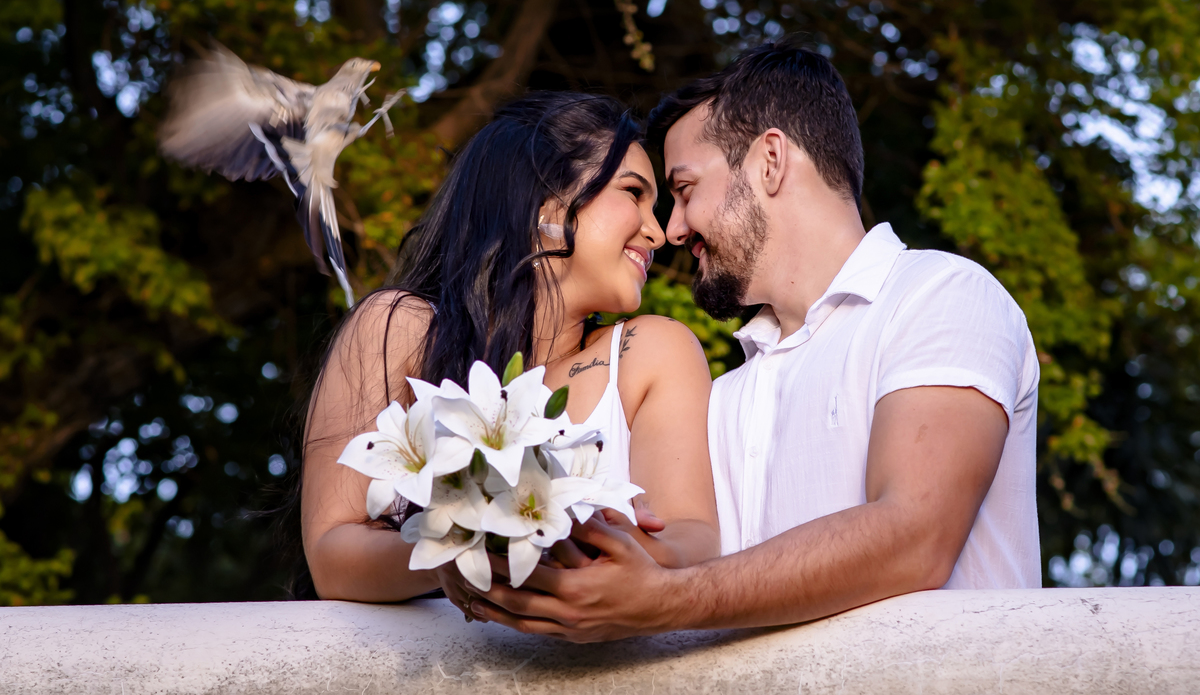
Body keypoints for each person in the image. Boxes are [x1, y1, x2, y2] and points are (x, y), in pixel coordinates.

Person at [461, 41, 1042, 641]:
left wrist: (664, 600)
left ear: (770, 160)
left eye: (683, 191)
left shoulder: (938, 294)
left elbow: (916, 537)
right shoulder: (723, 398)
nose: (673, 230)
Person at [299, 92, 720, 604]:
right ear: (543, 199)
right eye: (633, 193)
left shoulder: (648, 352)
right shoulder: (397, 328)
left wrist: (600, 540)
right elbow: (332, 558)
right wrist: (470, 540)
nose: (657, 232)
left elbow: (691, 539)